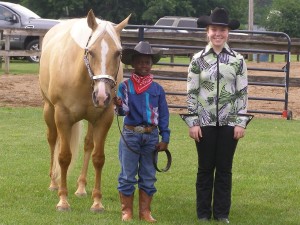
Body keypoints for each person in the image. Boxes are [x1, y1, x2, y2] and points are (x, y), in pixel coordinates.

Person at [185, 8, 248, 223]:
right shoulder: (197, 60)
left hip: (230, 122)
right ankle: (203, 213)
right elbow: (192, 91)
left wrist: (240, 122)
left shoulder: (238, 60)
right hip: (204, 122)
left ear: (228, 32)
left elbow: (242, 92)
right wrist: (193, 122)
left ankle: (221, 213)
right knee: (204, 168)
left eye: (222, 30)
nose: (217, 34)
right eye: (213, 29)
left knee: (224, 169)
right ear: (207, 31)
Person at [114, 41, 170, 222]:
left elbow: (163, 115)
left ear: (151, 64)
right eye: (140, 62)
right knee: (127, 174)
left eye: (147, 62)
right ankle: (127, 211)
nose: (143, 66)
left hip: (151, 135)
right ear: (133, 64)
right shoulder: (124, 87)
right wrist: (119, 105)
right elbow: (123, 111)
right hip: (130, 134)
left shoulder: (157, 89)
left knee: (148, 175)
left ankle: (145, 211)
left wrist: (165, 137)